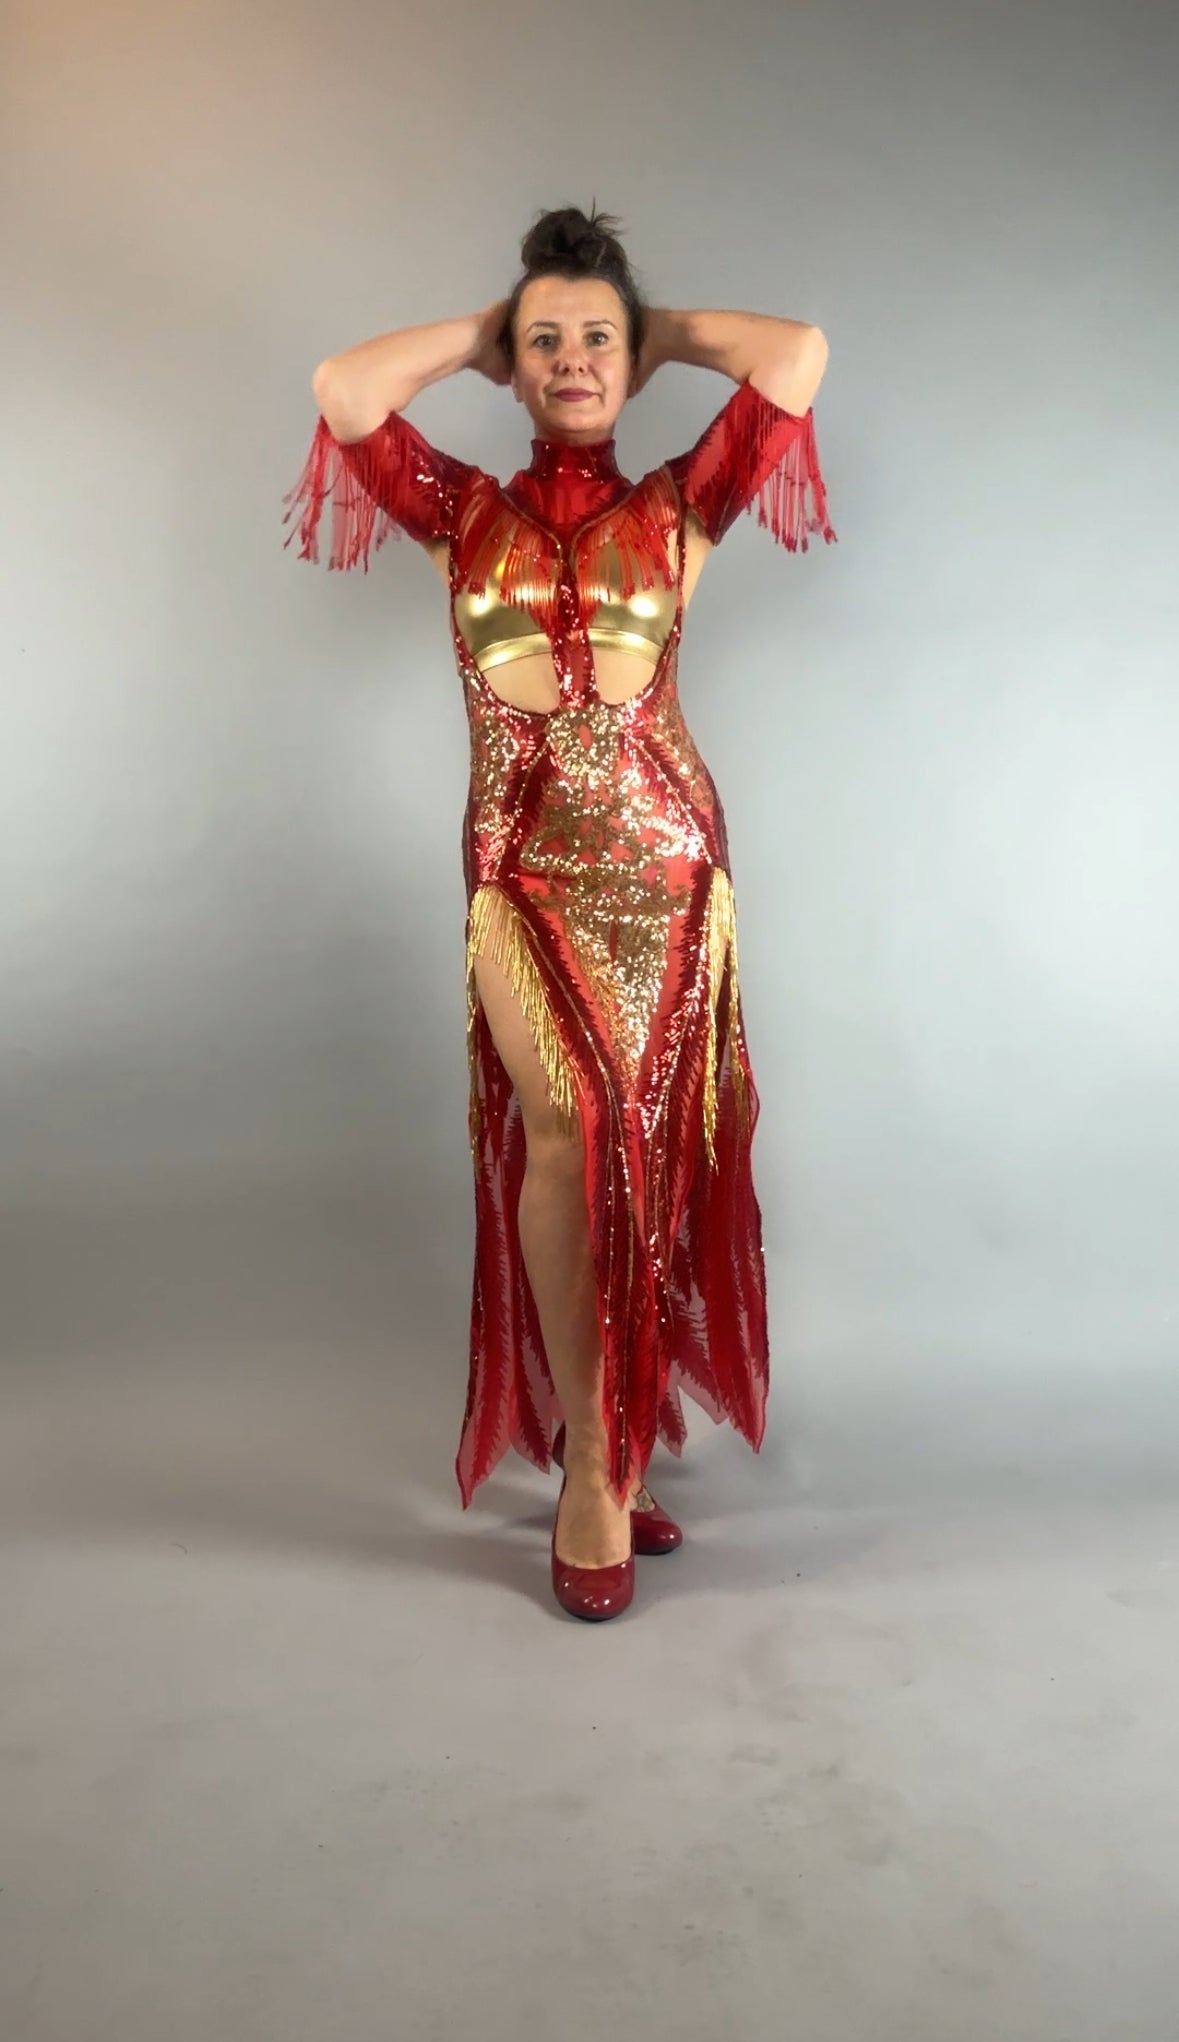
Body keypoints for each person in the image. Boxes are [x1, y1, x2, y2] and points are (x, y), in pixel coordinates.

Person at [283, 205, 835, 1621]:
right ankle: (593, 1455)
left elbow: (797, 353)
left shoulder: (681, 509)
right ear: (513, 367)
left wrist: (650, 334)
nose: (574, 360)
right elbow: (346, 389)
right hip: (521, 878)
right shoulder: (457, 511)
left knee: (642, 1162)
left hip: (668, 874)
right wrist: (484, 336)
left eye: (597, 339)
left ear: (629, 359)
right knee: (564, 1133)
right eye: (547, 342)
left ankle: (619, 1429)